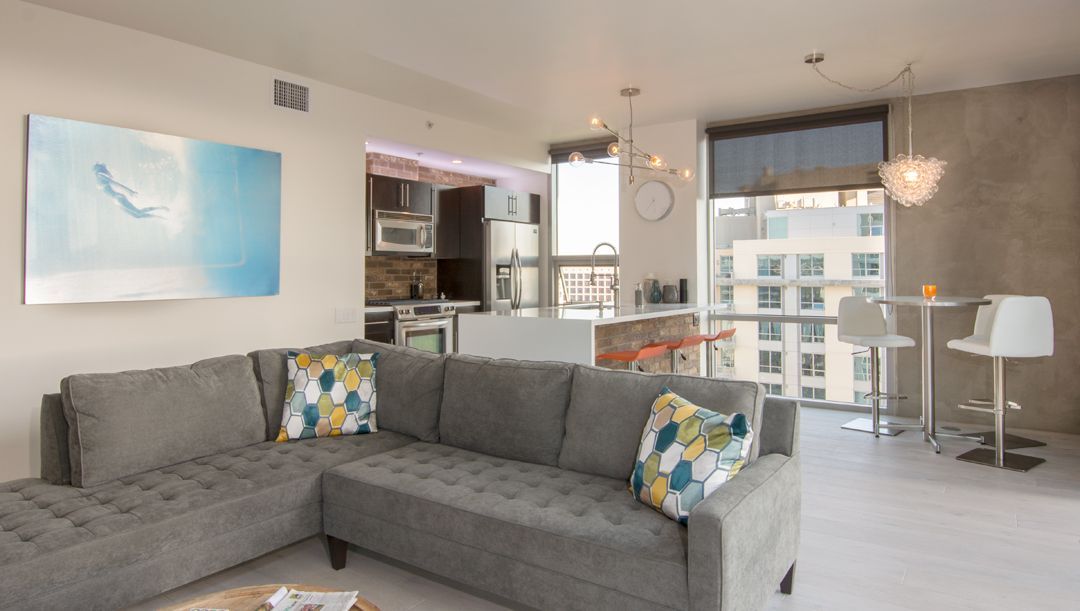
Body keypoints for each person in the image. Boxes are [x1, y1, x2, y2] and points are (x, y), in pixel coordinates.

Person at [92, 163, 169, 219]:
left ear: (98, 169)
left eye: (95, 170)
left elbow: (116, 184)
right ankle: (158, 214)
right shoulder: (99, 178)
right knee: (137, 216)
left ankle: (160, 209)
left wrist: (130, 191)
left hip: (118, 198)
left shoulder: (100, 175)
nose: (94, 172)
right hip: (115, 200)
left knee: (138, 212)